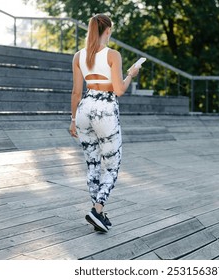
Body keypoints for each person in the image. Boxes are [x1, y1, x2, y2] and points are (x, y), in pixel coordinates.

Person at [69, 14, 140, 232]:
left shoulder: (78, 56)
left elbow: (76, 92)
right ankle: (97, 209)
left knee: (92, 165)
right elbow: (118, 90)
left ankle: (98, 213)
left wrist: (72, 120)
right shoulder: (113, 55)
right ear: (107, 30)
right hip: (105, 110)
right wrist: (131, 74)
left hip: (84, 110)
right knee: (112, 164)